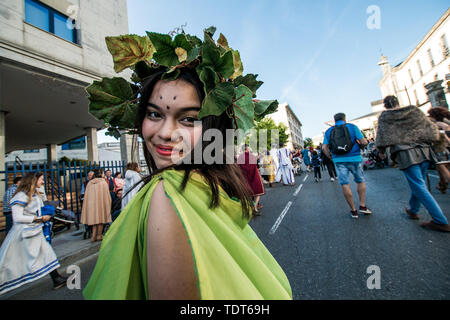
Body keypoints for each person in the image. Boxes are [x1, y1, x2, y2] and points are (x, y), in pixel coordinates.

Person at [83, 30, 292, 300]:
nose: (166, 132)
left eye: (188, 119)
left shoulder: (165, 195)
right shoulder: (211, 181)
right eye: (155, 114)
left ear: (212, 127)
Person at [376, 96, 449, 232]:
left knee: (418, 186)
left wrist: (381, 151)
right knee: (419, 183)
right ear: (398, 102)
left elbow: (381, 137)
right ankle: (413, 209)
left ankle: (440, 220)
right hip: (424, 150)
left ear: (385, 106)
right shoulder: (414, 111)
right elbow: (431, 130)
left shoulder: (385, 117)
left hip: (406, 153)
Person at [0, 172, 67, 295]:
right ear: (33, 180)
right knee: (9, 263)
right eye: (41, 180)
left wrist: (41, 218)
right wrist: (38, 219)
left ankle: (56, 278)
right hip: (22, 234)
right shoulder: (20, 196)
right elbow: (17, 218)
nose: (42, 182)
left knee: (47, 253)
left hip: (34, 231)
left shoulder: (34, 194)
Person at [322, 112, 372, 219]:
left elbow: (324, 148)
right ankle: (362, 206)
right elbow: (363, 142)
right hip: (355, 158)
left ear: (334, 120)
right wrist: (363, 145)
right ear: (345, 119)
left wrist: (331, 157)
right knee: (360, 181)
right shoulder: (353, 127)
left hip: (339, 161)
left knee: (345, 184)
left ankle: (353, 211)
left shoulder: (328, 131)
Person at [80, 169, 112, 242]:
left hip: (92, 205)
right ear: (100, 174)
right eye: (103, 173)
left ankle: (93, 236)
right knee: (100, 220)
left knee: (94, 221)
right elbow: (107, 195)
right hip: (101, 204)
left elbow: (86, 195)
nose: (104, 175)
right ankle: (99, 235)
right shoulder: (103, 183)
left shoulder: (90, 183)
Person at [427, 107, 450, 194]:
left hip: (441, 148)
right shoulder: (446, 121)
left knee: (442, 168)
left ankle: (443, 184)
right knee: (440, 168)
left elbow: (442, 137)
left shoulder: (438, 124)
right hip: (445, 148)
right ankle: (442, 185)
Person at [238, 145, 265, 214]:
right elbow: (254, 167)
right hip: (253, 176)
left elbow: (238, 168)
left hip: (244, 178)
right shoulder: (251, 156)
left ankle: (250, 207)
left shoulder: (240, 157)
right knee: (257, 193)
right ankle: (255, 208)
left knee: (248, 194)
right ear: (247, 149)